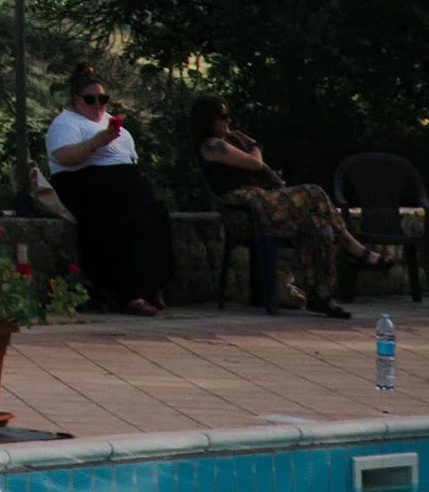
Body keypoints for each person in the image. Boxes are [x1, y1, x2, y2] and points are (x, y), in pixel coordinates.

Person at [188, 97, 380, 320]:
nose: (228, 121)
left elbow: (265, 171)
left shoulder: (228, 142)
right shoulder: (212, 146)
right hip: (245, 210)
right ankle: (353, 247)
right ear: (207, 120)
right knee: (314, 192)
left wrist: (279, 187)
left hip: (261, 204)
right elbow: (255, 163)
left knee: (318, 226)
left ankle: (322, 294)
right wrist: (253, 145)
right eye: (222, 117)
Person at [44, 64, 177, 315]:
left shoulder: (108, 121)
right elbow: (63, 157)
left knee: (156, 217)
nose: (98, 105)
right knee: (123, 221)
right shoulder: (66, 123)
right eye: (91, 100)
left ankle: (153, 285)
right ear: (76, 99)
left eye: (102, 99)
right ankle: (130, 292)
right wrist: (96, 142)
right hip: (88, 182)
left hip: (125, 183)